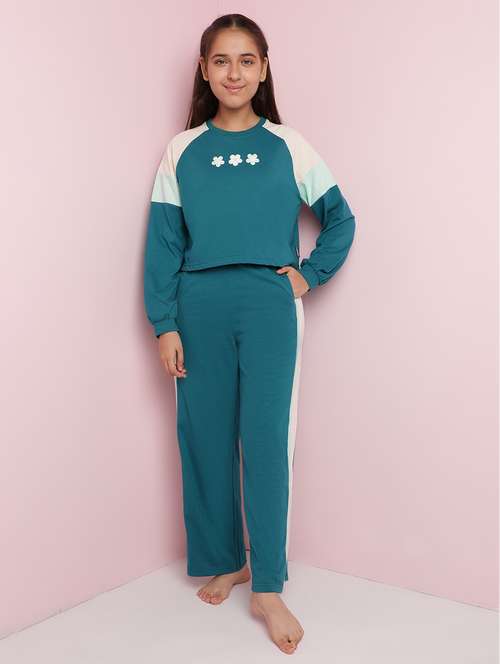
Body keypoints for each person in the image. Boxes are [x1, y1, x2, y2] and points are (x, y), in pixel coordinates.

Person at [143, 12, 356, 655]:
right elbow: (163, 242)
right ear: (204, 70)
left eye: (245, 60)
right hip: (198, 305)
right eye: (221, 60)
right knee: (205, 438)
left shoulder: (289, 145)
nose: (233, 73)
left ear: (263, 69)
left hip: (267, 306)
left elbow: (341, 219)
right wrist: (164, 323)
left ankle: (267, 584)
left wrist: (308, 275)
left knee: (265, 442)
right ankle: (226, 559)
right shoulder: (182, 150)